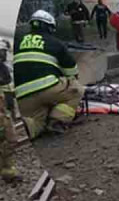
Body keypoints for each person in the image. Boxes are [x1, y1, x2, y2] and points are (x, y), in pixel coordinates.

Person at [13, 10, 84, 139]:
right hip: (48, 87)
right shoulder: (55, 42)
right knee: (77, 89)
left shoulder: (17, 43)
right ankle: (57, 122)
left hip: (22, 96)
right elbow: (72, 72)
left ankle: (24, 129)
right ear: (50, 27)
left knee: (37, 122)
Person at [0, 39, 18, 182]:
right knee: (9, 139)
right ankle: (7, 172)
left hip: (6, 106)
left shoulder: (4, 68)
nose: (4, 55)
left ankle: (7, 172)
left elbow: (8, 86)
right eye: (3, 52)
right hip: (2, 110)